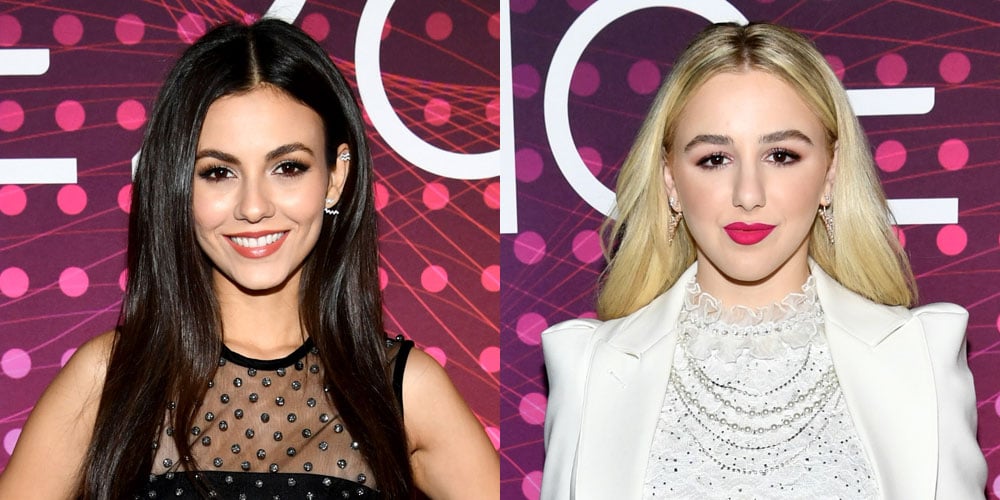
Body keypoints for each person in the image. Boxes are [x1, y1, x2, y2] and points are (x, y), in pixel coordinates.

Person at [0, 19, 499, 499]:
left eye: (288, 167)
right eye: (218, 172)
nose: (254, 207)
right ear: (178, 184)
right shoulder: (111, 379)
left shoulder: (399, 390)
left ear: (335, 177)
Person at [540, 22, 985, 499]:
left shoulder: (920, 359)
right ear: (670, 178)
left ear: (830, 172)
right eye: (715, 158)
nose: (748, 194)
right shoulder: (588, 369)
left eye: (781, 155)